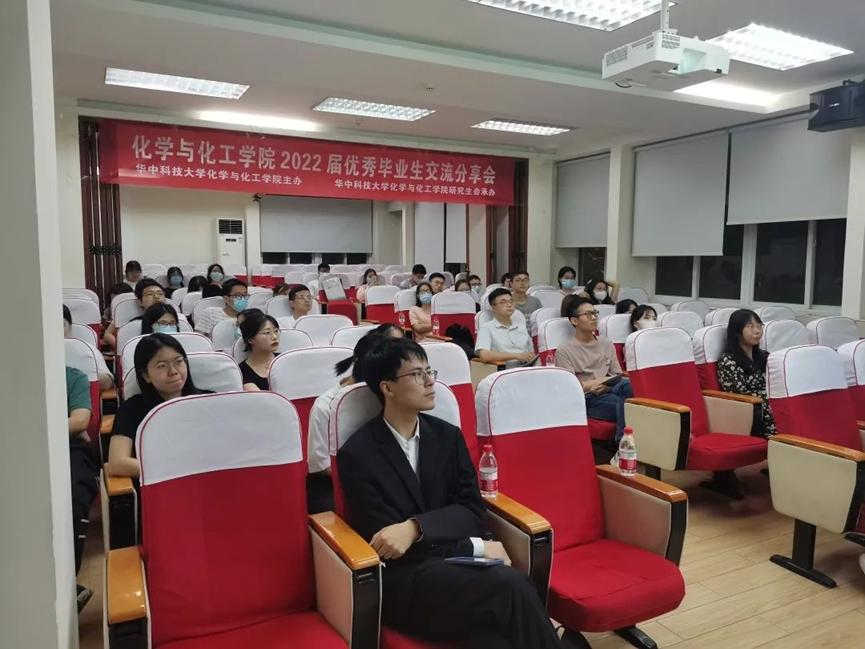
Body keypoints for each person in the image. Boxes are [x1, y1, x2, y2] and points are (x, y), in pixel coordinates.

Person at [338, 338, 563, 649]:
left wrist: (414, 528)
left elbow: (472, 511)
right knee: (510, 585)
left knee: (496, 641)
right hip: (407, 584)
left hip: (458, 574)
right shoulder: (359, 453)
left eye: (429, 371)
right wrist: (476, 547)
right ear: (387, 388)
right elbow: (390, 544)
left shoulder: (447, 437)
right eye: (416, 374)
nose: (430, 381)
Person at [307, 325, 404, 513]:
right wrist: (372, 475)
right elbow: (319, 465)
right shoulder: (325, 406)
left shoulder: (385, 396)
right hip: (333, 481)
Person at [107, 334, 210, 479]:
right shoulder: (131, 409)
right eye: (162, 366)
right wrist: (177, 471)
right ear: (146, 375)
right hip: (162, 484)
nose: (173, 371)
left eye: (179, 361)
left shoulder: (210, 401)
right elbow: (117, 463)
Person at [555, 297, 633, 444]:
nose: (594, 317)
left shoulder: (606, 342)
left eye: (595, 313)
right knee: (631, 408)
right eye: (588, 314)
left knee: (629, 386)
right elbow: (571, 388)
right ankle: (622, 444)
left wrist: (606, 386)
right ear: (574, 320)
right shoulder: (564, 350)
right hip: (587, 398)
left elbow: (617, 374)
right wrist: (602, 382)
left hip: (610, 389)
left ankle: (622, 443)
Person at [66, 364, 99, 612]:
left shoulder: (72, 376)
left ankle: (66, 585)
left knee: (73, 498)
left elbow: (79, 421)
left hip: (69, 447)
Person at [717, 309, 775, 437]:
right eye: (750, 326)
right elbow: (738, 396)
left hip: (771, 403)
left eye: (759, 326)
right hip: (751, 412)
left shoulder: (764, 356)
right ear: (737, 331)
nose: (757, 331)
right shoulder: (728, 361)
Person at [475, 288, 536, 367]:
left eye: (511, 301)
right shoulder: (486, 328)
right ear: (493, 307)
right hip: (504, 369)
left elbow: (532, 353)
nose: (509, 305)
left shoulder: (521, 326)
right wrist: (516, 356)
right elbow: (484, 355)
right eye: (503, 302)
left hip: (526, 367)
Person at [103, 278, 166, 348]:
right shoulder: (130, 323)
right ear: (140, 301)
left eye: (160, 294)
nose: (156, 297)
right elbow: (107, 335)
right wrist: (122, 347)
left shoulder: (173, 316)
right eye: (149, 294)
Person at [63, 305, 113, 389]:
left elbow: (108, 381)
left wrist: (86, 375)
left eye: (61, 325)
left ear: (70, 326)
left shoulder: (87, 349)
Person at [238, 312, 280, 391]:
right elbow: (262, 398)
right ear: (250, 339)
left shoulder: (285, 359)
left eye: (276, 331)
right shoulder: (242, 371)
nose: (274, 337)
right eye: (267, 333)